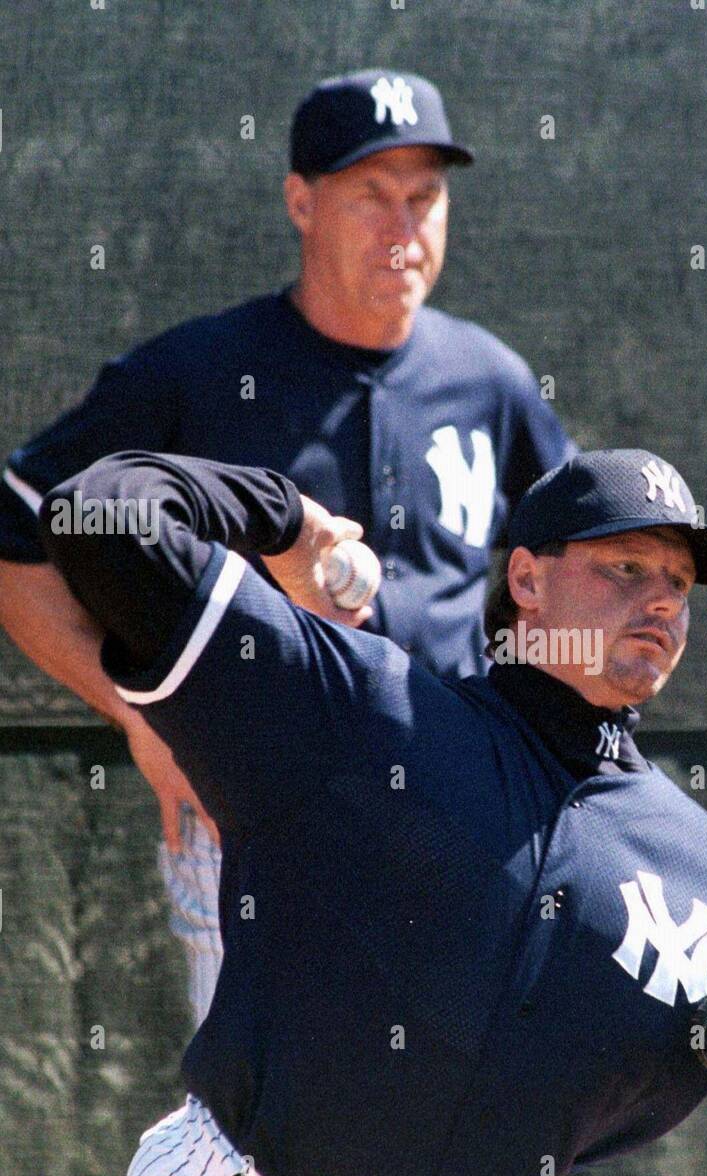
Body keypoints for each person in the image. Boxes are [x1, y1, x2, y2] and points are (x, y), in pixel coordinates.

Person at [40, 446, 707, 1176]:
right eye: (625, 567)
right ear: (528, 580)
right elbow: (95, 514)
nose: (660, 601)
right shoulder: (366, 714)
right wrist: (284, 521)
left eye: (679, 586)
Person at [0, 68, 570, 1025]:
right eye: (370, 195)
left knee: (444, 1151)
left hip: (459, 818)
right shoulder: (195, 372)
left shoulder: (492, 380)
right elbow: (19, 539)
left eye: (425, 196)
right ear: (301, 202)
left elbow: (572, 569)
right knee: (257, 1148)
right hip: (257, 813)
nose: (404, 225)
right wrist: (138, 715)